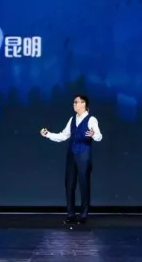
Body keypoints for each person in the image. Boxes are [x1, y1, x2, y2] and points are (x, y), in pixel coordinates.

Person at [40, 94, 103, 225]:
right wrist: (48, 134)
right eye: (74, 102)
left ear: (84, 104)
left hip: (83, 155)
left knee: (84, 184)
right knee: (69, 184)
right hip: (71, 155)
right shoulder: (72, 119)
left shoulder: (91, 119)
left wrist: (94, 134)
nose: (74, 104)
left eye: (76, 102)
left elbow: (99, 136)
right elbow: (64, 135)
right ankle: (71, 214)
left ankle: (83, 215)